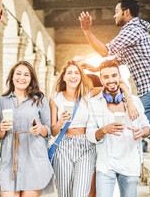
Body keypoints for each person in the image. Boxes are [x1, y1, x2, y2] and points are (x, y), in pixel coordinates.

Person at [79, 0, 150, 180]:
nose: (114, 16)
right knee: (136, 125)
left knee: (146, 127)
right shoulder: (134, 32)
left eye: (116, 12)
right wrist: (96, 68)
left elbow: (105, 51)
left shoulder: (132, 29)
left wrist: (87, 31)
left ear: (126, 12)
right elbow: (116, 60)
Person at [86, 60, 150, 197]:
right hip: (105, 165)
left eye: (114, 75)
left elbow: (148, 128)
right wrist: (104, 130)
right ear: (101, 80)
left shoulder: (134, 101)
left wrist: (142, 132)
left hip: (130, 163)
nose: (110, 80)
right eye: (106, 77)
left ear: (119, 77)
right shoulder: (94, 103)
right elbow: (90, 134)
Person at [0, 61, 53, 197]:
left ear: (31, 79)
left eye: (26, 75)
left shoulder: (40, 100)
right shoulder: (1, 101)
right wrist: (2, 129)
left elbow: (48, 130)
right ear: (12, 77)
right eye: (18, 74)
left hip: (33, 157)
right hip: (9, 159)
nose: (22, 78)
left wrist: (40, 128)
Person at [50, 60, 96, 197]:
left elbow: (113, 86)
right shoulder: (56, 99)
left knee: (80, 193)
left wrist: (129, 99)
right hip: (63, 146)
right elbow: (53, 131)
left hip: (86, 146)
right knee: (64, 193)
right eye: (69, 73)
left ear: (81, 77)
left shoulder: (88, 95)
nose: (73, 76)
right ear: (63, 77)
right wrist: (60, 122)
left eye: (77, 73)